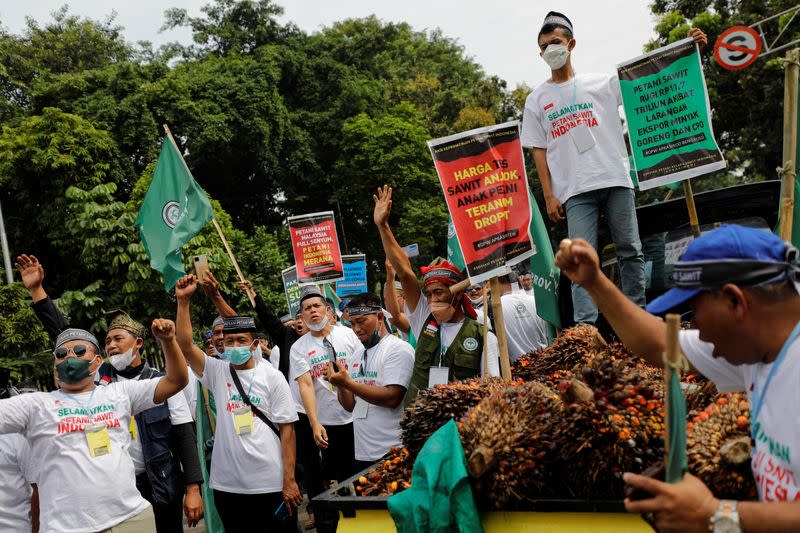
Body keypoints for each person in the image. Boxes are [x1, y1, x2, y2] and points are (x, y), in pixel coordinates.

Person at [555, 225, 800, 532]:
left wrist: (715, 515)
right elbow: (662, 344)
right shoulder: (758, 349)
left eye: (694, 312)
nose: (694, 327)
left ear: (735, 301)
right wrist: (595, 283)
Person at [521, 11, 708, 324]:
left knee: (630, 249)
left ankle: (638, 316)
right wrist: (549, 195)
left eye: (556, 42)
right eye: (544, 47)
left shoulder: (601, 83)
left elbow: (649, 78)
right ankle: (585, 328)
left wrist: (686, 48)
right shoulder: (536, 100)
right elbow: (538, 151)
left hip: (615, 178)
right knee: (581, 258)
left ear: (571, 43)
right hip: (575, 190)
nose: (550, 50)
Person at [15, 254, 204, 531]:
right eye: (106, 341)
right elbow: (65, 335)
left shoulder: (159, 383)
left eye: (118, 339)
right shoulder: (100, 382)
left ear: (138, 343)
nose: (111, 346)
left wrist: (193, 488)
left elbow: (184, 434)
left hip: (162, 482)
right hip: (115, 489)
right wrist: (37, 291)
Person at [0, 321, 188, 532]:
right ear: (54, 362)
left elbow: (176, 381)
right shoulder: (35, 405)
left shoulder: (120, 393)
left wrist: (169, 341)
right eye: (61, 353)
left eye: (79, 351)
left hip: (131, 519)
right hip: (68, 528)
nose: (69, 357)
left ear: (98, 360)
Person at [175, 275, 302, 533]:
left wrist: (289, 480)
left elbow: (287, 430)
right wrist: (183, 301)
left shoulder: (272, 376)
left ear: (255, 344)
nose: (234, 346)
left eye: (241, 341)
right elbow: (185, 345)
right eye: (229, 341)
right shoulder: (217, 372)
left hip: (271, 483)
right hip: (228, 486)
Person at [373, 185, 500, 407]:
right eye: (429, 294)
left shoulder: (483, 336)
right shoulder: (423, 318)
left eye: (439, 293)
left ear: (458, 294)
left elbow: (492, 390)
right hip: (420, 425)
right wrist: (382, 225)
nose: (432, 300)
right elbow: (405, 272)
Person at [290, 287, 361, 533]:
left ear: (328, 311)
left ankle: (362, 523)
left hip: (356, 419)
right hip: (326, 425)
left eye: (317, 306)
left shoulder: (350, 335)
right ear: (301, 317)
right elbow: (306, 385)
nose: (312, 311)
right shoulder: (299, 348)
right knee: (330, 483)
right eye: (306, 309)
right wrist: (314, 423)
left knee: (358, 479)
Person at [327, 293, 415, 472]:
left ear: (380, 317)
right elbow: (350, 406)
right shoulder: (356, 355)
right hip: (363, 452)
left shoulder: (398, 349)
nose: (357, 329)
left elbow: (392, 398)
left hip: (393, 450)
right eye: (352, 324)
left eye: (361, 321)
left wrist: (349, 384)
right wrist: (341, 384)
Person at [489, 274, 548, 359]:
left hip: (518, 367)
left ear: (496, 281)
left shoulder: (494, 307)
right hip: (544, 358)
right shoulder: (534, 300)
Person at [383, 260, 412, 343]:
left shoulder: (412, 316)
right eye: (386, 299)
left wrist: (390, 275)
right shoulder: (384, 320)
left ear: (404, 297)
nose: (387, 302)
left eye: (392, 298)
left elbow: (395, 317)